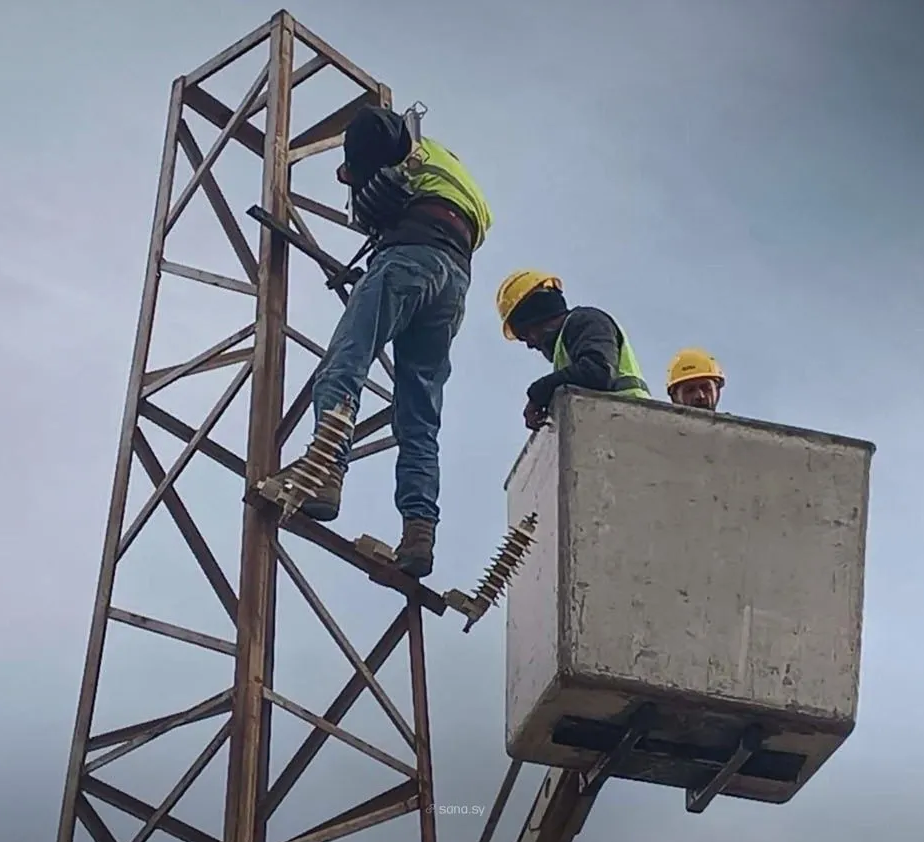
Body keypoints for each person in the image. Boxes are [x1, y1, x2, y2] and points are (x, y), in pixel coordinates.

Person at [271, 105, 493, 580]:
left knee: (345, 362)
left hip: (409, 259)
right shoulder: (441, 161)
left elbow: (378, 203)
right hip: (454, 282)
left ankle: (324, 472)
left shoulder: (403, 164)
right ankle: (419, 532)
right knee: (418, 411)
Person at [495, 270, 651, 431]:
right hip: (616, 427)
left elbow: (597, 372)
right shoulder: (565, 348)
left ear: (535, 317)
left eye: (524, 335)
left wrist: (538, 392)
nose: (529, 344)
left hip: (632, 423)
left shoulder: (585, 321)